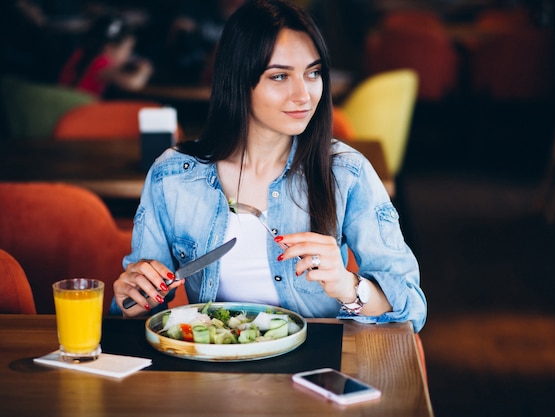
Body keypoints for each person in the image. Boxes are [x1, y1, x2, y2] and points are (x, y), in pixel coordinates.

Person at [111, 0, 426, 332]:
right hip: (210, 369)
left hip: (312, 370)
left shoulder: (346, 173)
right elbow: (138, 310)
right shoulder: (172, 176)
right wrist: (133, 297)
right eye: (279, 76)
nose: (303, 95)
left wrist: (349, 286)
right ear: (238, 81)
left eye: (313, 73)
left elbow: (412, 306)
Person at [58, 13, 153, 97]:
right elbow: (133, 84)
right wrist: (145, 69)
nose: (129, 54)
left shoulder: (79, 53)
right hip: (79, 110)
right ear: (109, 48)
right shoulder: (101, 63)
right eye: (128, 49)